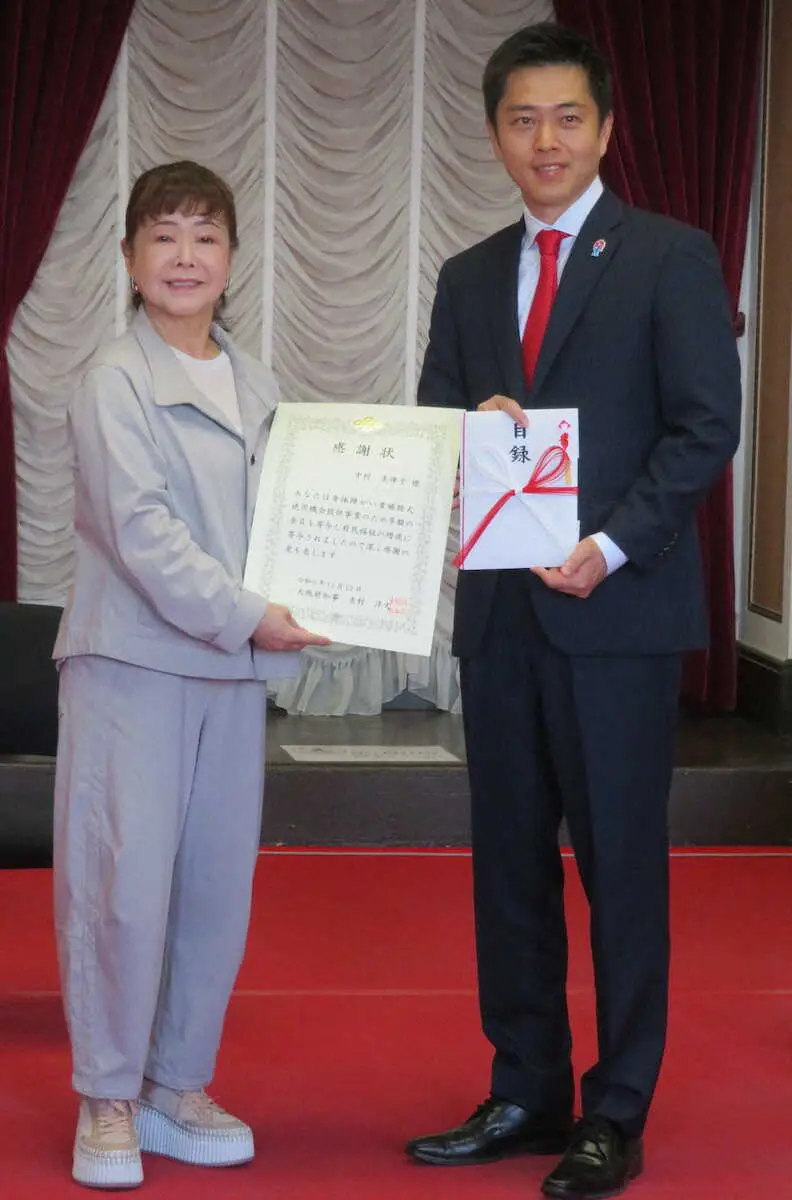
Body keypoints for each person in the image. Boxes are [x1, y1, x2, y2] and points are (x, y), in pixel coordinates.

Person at [404, 22, 741, 1199]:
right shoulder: (465, 274)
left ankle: (617, 1107)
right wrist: (467, 431)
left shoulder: (670, 255)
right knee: (507, 869)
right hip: (502, 624)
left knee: (622, 872)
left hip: (618, 619)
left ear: (605, 128)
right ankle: (526, 1086)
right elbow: (433, 423)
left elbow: (707, 425)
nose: (543, 140)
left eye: (566, 118)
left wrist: (610, 543)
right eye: (520, 119)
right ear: (494, 133)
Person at [52, 160, 329, 1190]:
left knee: (215, 888)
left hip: (232, 669)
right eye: (162, 235)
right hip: (133, 662)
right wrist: (257, 615)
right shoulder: (111, 381)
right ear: (128, 258)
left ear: (231, 260)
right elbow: (144, 536)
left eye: (204, 237)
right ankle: (108, 1093)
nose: (183, 256)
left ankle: (177, 1083)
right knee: (122, 888)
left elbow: (295, 521)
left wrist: (334, 586)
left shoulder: (257, 385)